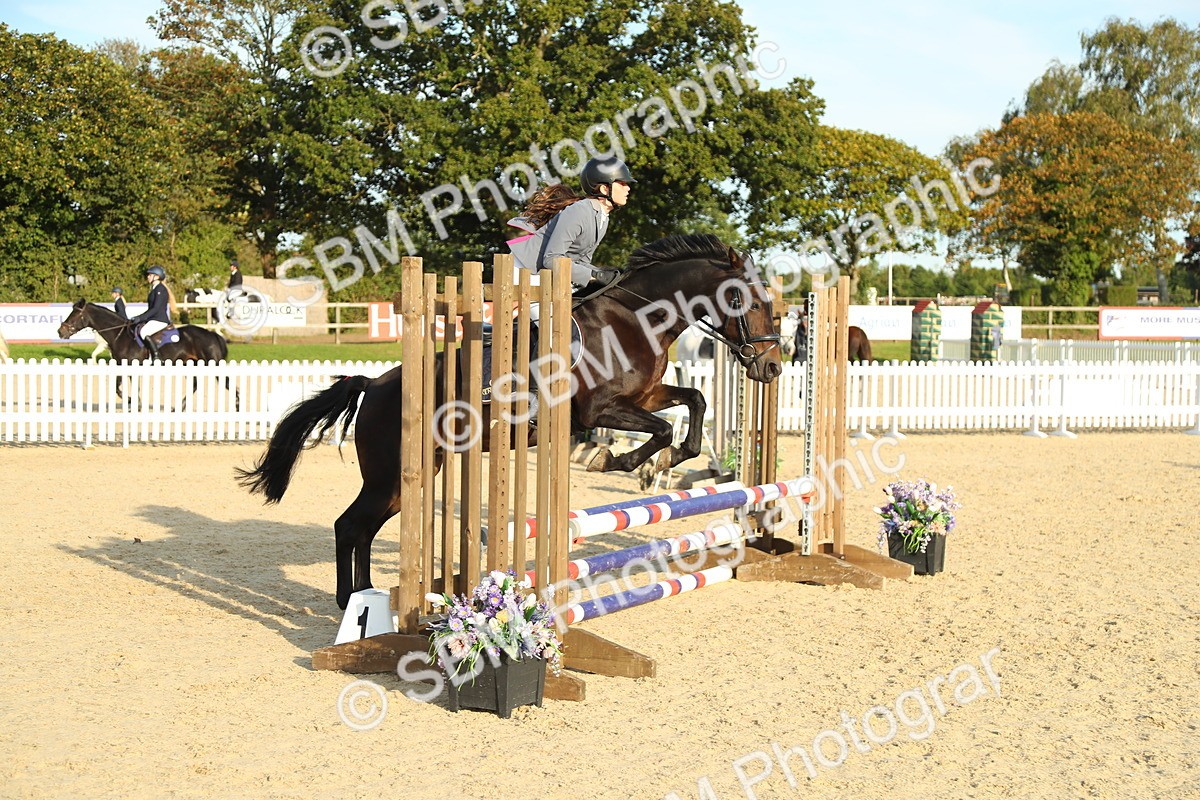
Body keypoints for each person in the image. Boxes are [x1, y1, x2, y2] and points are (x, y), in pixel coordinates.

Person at [508, 156, 635, 289]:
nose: (628, 188)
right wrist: (595, 276)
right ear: (604, 189)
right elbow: (551, 259)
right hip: (525, 272)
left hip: (545, 274)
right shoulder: (580, 211)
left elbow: (581, 261)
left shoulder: (602, 218)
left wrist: (603, 274)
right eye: (622, 183)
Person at [129, 266, 172, 359]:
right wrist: (139, 317)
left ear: (156, 277)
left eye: (150, 275)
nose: (148, 277)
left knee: (144, 332)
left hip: (159, 319)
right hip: (153, 319)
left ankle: (156, 355)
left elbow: (156, 308)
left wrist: (140, 318)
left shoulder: (160, 289)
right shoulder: (154, 289)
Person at [90, 287, 127, 360]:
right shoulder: (118, 301)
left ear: (117, 294)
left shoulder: (118, 302)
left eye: (113, 293)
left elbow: (121, 314)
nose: (112, 294)